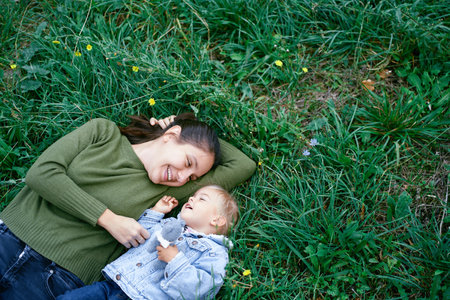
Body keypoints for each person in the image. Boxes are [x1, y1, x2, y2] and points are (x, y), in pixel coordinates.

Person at [0, 113, 255, 299]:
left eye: (192, 177)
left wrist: (188, 132)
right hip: (6, 237)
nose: (182, 177)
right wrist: (108, 219)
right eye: (187, 162)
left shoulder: (169, 190)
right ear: (171, 136)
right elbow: (42, 174)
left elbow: (243, 165)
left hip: (56, 278)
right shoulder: (103, 132)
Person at [57, 185, 238, 300]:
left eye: (201, 199)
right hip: (113, 284)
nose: (191, 199)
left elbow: (200, 290)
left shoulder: (214, 253)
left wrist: (175, 261)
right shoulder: (169, 224)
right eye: (193, 196)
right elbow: (139, 235)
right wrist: (156, 212)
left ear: (217, 220)